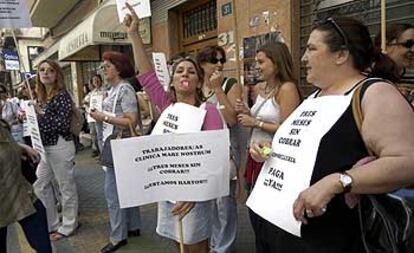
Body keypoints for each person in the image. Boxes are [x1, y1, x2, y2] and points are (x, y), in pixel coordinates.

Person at [249, 16, 414, 252]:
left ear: (341, 55)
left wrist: (338, 181)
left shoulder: (374, 93)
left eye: (312, 49)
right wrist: (271, 152)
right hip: (275, 231)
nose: (304, 58)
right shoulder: (314, 97)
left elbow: (407, 162)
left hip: (330, 239)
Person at [124, 4, 223, 253]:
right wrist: (134, 34)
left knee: (196, 248)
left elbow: (217, 159)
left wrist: (194, 193)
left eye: (191, 70)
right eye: (179, 71)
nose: (184, 74)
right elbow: (146, 74)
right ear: (172, 80)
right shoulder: (166, 105)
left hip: (196, 194)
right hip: (169, 192)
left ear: (199, 80)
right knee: (178, 244)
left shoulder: (208, 112)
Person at [234, 42, 301, 252]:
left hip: (273, 160)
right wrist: (248, 111)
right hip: (256, 156)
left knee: (268, 220)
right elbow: (262, 116)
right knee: (255, 214)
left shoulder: (287, 88)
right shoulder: (260, 88)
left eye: (261, 61)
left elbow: (290, 131)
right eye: (256, 61)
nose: (257, 66)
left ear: (276, 62)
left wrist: (256, 123)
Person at [89, 51, 141, 253]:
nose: (104, 69)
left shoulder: (124, 89)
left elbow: (131, 121)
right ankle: (133, 226)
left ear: (118, 68)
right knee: (129, 188)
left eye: (107, 66)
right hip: (117, 144)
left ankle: (118, 236)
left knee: (112, 193)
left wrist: (103, 117)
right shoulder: (113, 90)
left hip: (120, 145)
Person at [196, 45, 242, 253]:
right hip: (201, 154)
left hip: (224, 154)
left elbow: (232, 119)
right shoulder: (196, 87)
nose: (219, 65)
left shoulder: (229, 84)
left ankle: (224, 248)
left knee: (224, 206)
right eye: (214, 60)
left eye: (222, 60)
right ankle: (214, 243)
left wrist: (218, 90)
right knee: (208, 204)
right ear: (202, 64)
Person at [32, 60, 79, 241]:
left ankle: (68, 225)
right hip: (46, 148)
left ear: (57, 74)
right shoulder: (42, 96)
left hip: (60, 145)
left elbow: (60, 124)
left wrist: (39, 115)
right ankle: (51, 223)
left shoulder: (62, 96)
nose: (46, 73)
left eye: (50, 70)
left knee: (65, 186)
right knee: (40, 184)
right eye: (42, 70)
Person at [0, 119, 52, 253]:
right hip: (6, 200)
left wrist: (20, 148)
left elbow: (5, 146)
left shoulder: (2, 126)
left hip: (22, 195)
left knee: (41, 237)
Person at [83, 74, 106, 157]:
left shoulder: (105, 91)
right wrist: (87, 103)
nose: (96, 81)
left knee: (101, 135)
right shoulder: (91, 93)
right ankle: (98, 151)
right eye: (94, 80)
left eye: (97, 79)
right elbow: (84, 102)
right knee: (94, 134)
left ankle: (102, 153)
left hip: (102, 116)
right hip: (92, 117)